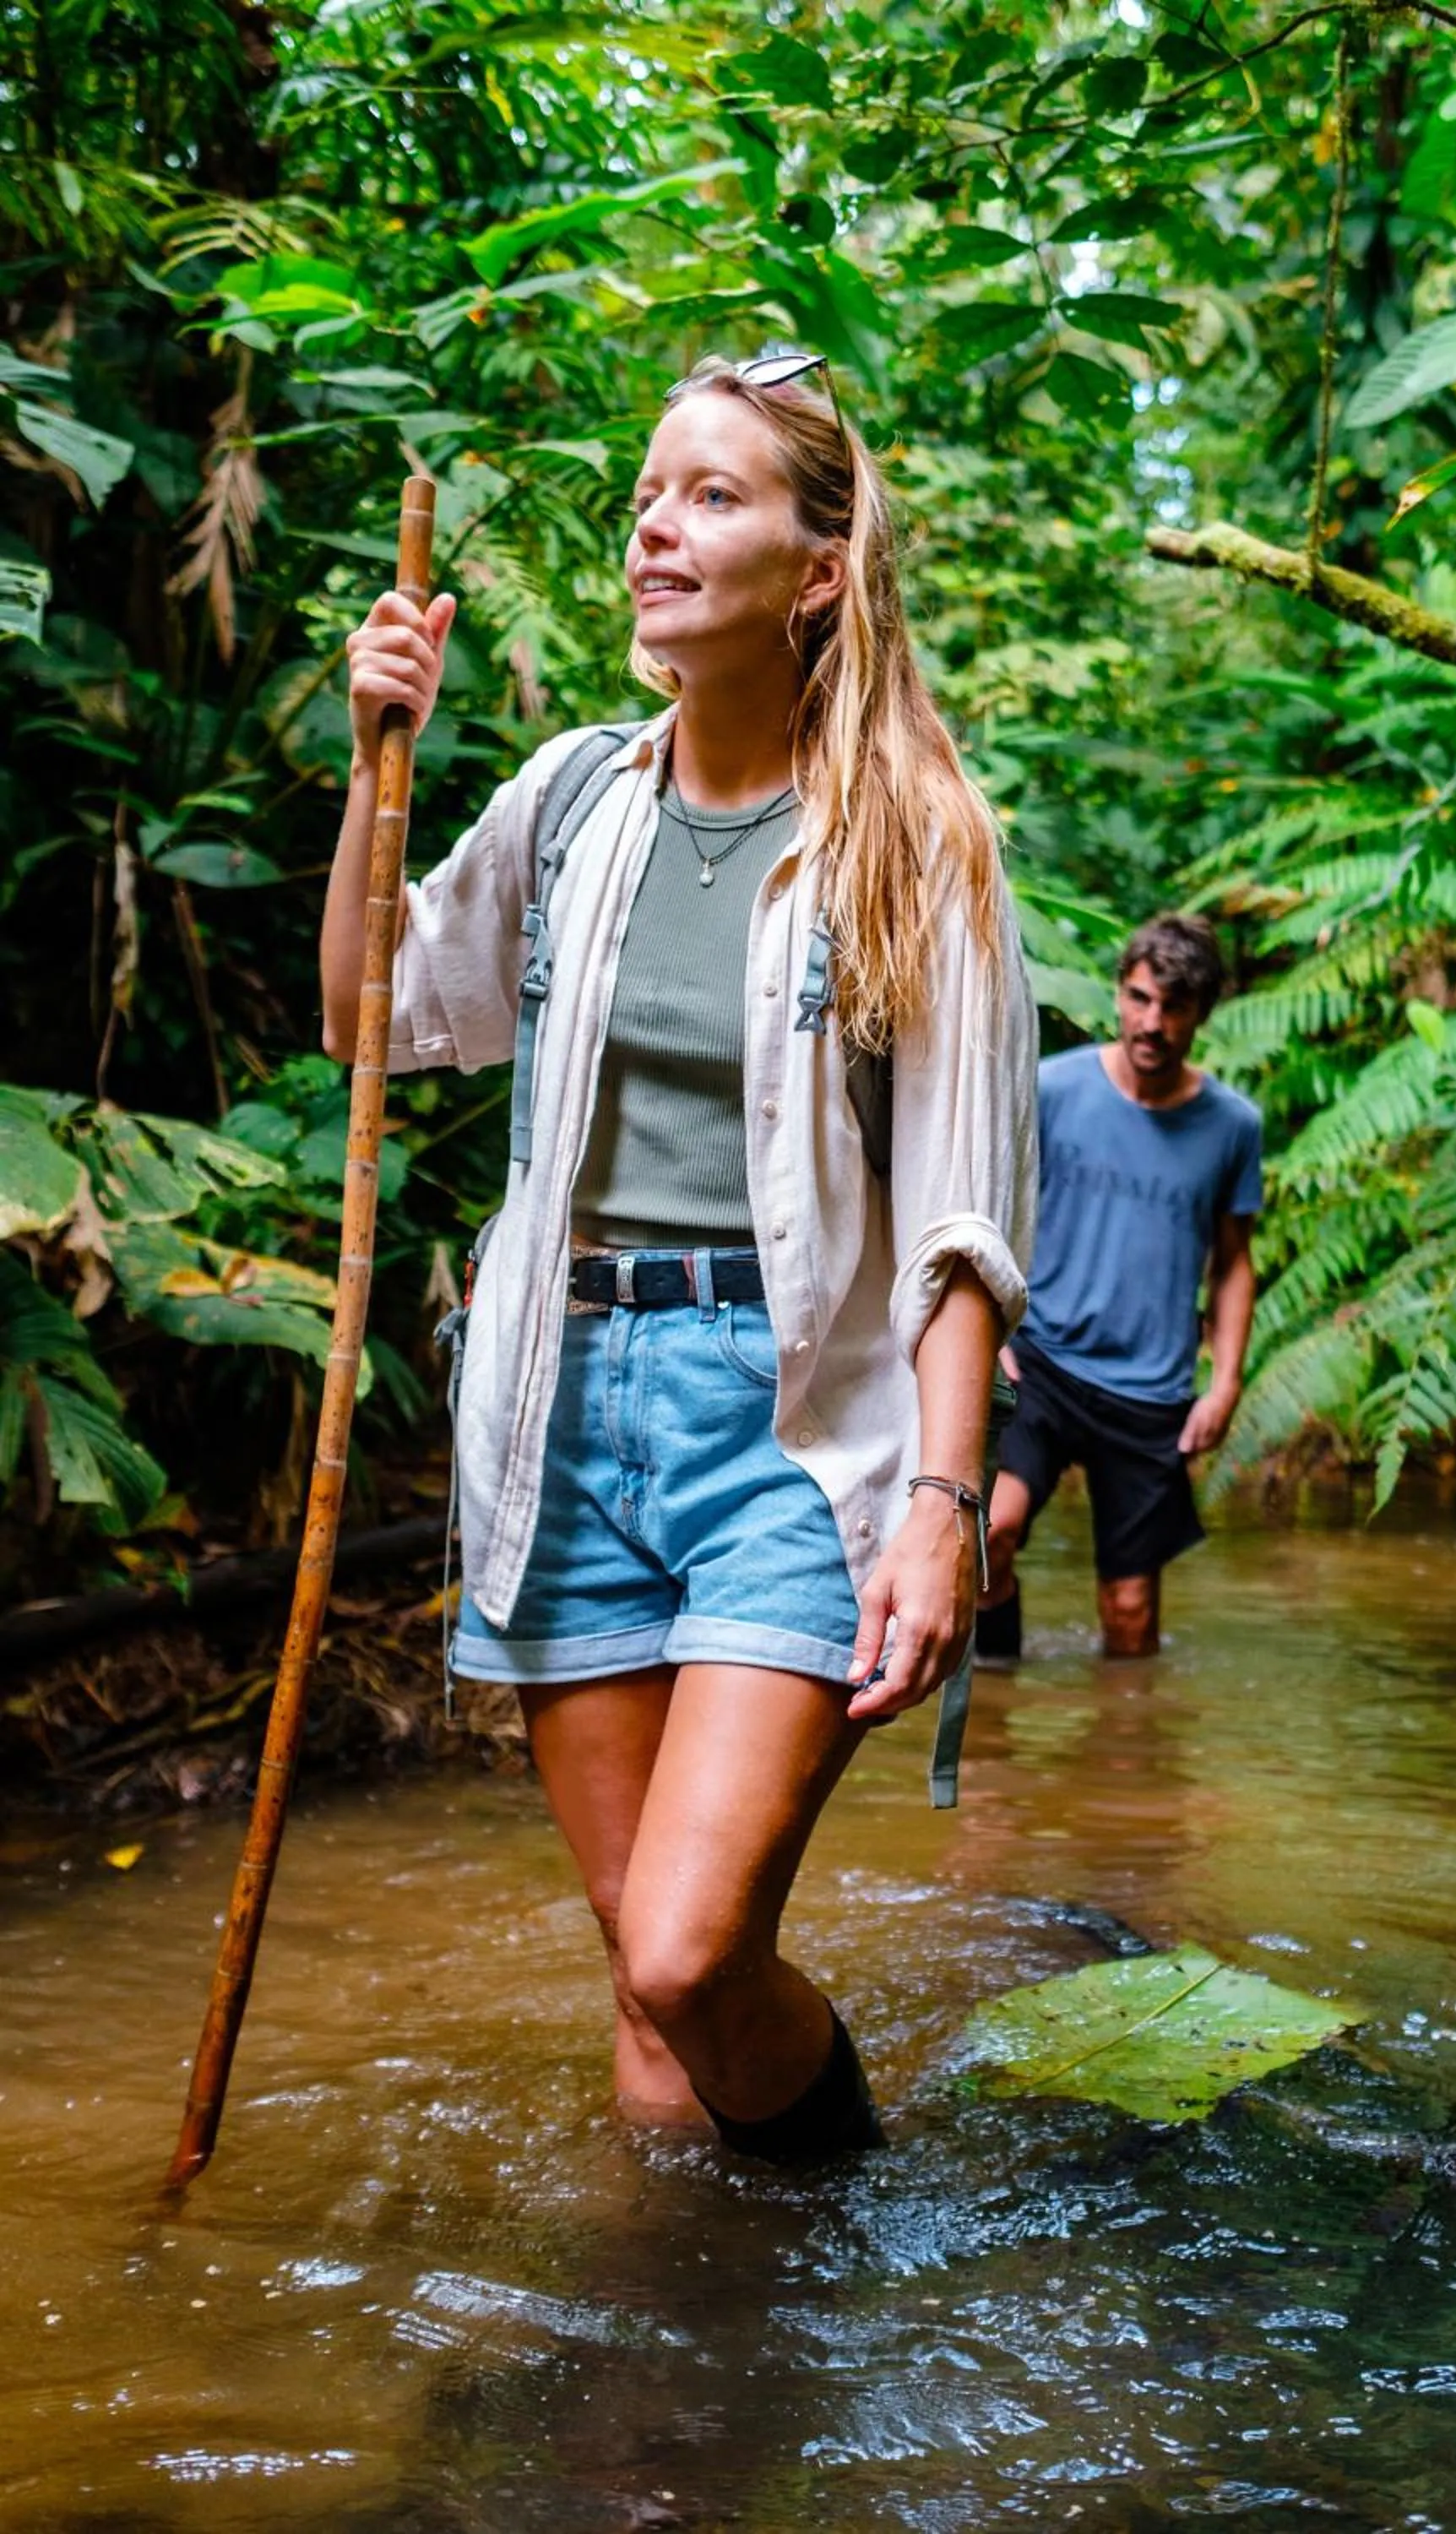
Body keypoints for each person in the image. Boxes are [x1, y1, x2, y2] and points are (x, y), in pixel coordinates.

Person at [320, 349, 1037, 2162]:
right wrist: (370, 766)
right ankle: (680, 2392)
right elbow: (372, 1014)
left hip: (794, 1437)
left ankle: (841, 2219)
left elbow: (959, 1227)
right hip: (565, 1407)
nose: (655, 525)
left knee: (689, 1943)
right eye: (651, 491)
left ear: (816, 571)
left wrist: (947, 1506)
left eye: (712, 495)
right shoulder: (573, 804)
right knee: (646, 1992)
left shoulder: (912, 839)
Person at [975, 913, 1259, 1662]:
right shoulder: (1053, 1091)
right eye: (1139, 999)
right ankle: (995, 1707)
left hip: (1149, 1390)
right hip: (1040, 1362)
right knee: (990, 1536)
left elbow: (1234, 1262)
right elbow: (991, 1211)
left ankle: (1129, 1760)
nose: (1152, 1023)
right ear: (1120, 994)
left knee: (1130, 1613)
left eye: (1173, 1008)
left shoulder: (1232, 1127)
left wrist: (1225, 1385)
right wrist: (990, 1332)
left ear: (1201, 1014)